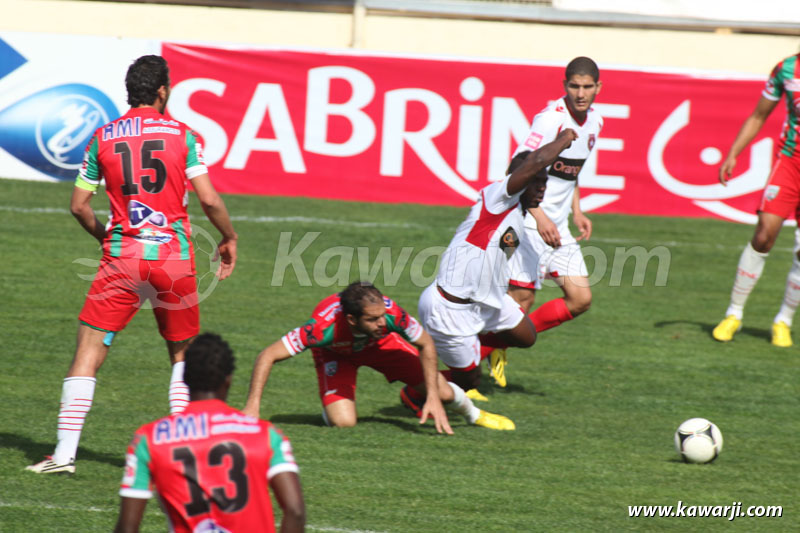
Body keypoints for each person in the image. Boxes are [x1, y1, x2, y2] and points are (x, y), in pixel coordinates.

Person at [27, 55, 238, 475]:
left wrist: (108, 237)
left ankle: (64, 455)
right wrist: (229, 238)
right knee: (182, 354)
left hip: (123, 258)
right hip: (173, 260)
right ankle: (184, 457)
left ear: (130, 91)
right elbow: (210, 199)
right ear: (162, 91)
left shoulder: (102, 137)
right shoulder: (184, 136)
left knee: (88, 351)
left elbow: (79, 206)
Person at [418, 128, 578, 395]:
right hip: (451, 305)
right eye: (534, 180)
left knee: (526, 337)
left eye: (544, 182)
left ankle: (476, 344)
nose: (541, 186)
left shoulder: (519, 213)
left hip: (487, 302)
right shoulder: (497, 200)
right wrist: (564, 139)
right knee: (470, 382)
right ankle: (415, 389)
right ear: (519, 179)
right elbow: (536, 162)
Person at [242, 281, 515, 432]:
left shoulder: (390, 318)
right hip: (337, 354)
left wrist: (430, 394)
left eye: (382, 315)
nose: (382, 322)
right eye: (373, 319)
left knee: (442, 393)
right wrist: (253, 407)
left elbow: (426, 344)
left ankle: (474, 414)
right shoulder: (322, 330)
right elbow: (268, 355)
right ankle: (334, 400)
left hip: (382, 347)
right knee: (344, 423)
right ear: (351, 319)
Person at [113, 333, 305, 533]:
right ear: (228, 379)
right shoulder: (267, 435)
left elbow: (128, 527)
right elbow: (295, 510)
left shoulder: (148, 439)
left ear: (184, 378)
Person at [488, 56, 603, 387]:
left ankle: (502, 343)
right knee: (520, 301)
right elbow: (517, 169)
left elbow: (571, 171)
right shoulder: (550, 120)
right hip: (529, 222)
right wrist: (538, 216)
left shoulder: (595, 122)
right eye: (574, 86)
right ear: (564, 85)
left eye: (587, 87)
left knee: (580, 299)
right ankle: (466, 367)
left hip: (558, 226)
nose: (581, 93)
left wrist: (577, 210)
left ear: (598, 88)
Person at [712, 51, 800, 347]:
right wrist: (734, 153)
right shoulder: (786, 68)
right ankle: (733, 313)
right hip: (790, 163)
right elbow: (759, 114)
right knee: (764, 236)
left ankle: (783, 320)